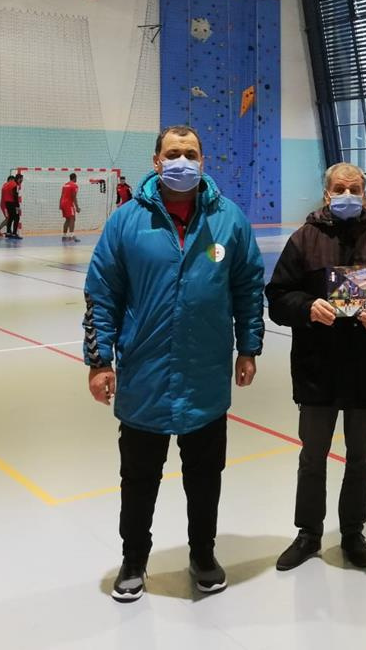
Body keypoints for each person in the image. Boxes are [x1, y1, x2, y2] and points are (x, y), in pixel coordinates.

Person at [83, 125, 265, 603]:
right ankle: (134, 560)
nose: (182, 161)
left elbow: (248, 287)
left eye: (190, 153)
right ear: (156, 160)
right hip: (144, 377)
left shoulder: (229, 220)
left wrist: (248, 347)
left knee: (205, 478)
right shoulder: (126, 222)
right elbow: (102, 293)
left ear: (203, 160)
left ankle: (203, 555)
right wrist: (100, 361)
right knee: (138, 479)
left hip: (205, 377)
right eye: (173, 153)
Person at [266, 162, 366, 572]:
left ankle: (353, 531)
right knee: (312, 456)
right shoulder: (303, 239)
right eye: (339, 188)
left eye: (354, 188)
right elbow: (278, 297)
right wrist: (306, 307)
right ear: (327, 193)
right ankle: (308, 533)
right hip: (317, 367)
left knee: (360, 456)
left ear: (363, 192)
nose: (346, 194)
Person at [0, 173, 24, 240]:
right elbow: (15, 196)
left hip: (7, 203)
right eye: (21, 180)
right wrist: (18, 206)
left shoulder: (9, 183)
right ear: (18, 179)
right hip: (12, 203)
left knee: (10, 217)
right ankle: (14, 233)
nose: (22, 181)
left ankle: (8, 233)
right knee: (17, 217)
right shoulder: (15, 185)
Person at [60, 172, 81, 242]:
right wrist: (77, 207)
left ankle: (64, 236)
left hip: (63, 203)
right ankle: (72, 236)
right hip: (68, 204)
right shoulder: (74, 186)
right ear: (75, 178)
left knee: (67, 220)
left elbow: (62, 195)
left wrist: (60, 204)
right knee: (72, 219)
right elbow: (74, 197)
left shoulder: (65, 185)